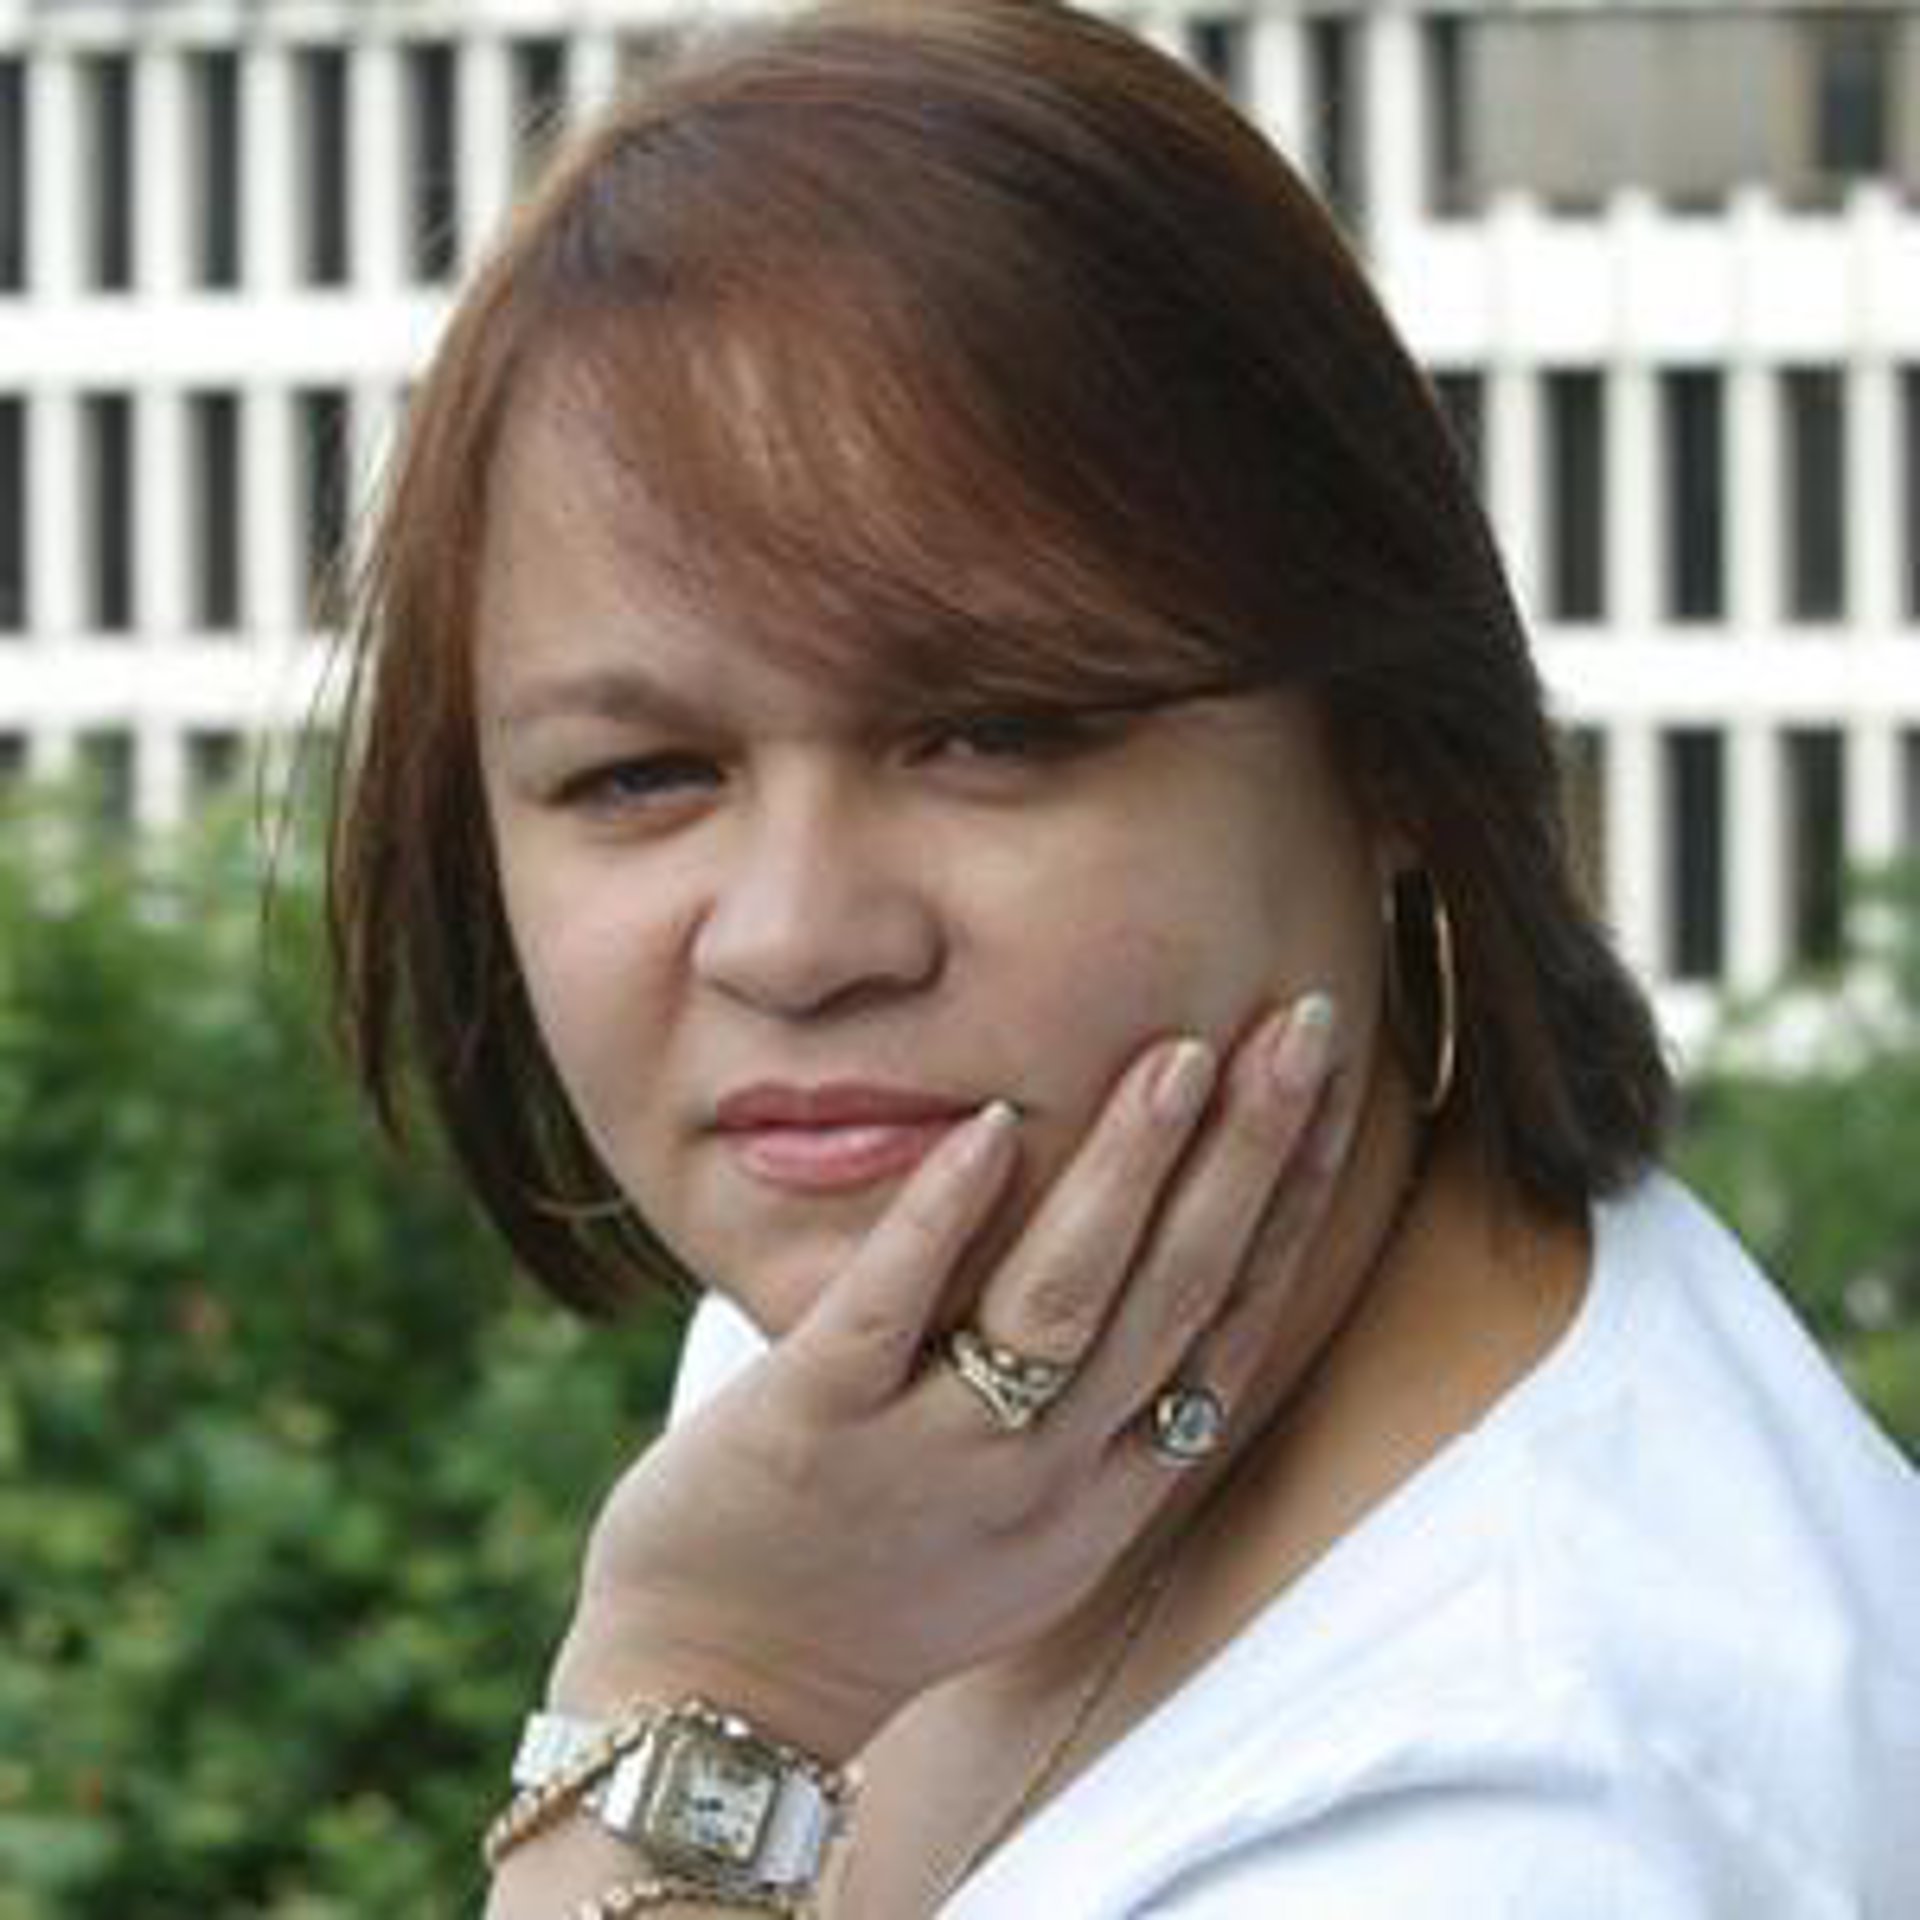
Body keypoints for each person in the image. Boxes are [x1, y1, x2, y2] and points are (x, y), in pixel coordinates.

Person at [325, 1, 1920, 1913]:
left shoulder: (1517, 1831)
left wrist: (696, 1686)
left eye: (996, 734)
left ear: (1390, 747)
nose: (797, 941)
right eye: (643, 776)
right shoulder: (948, 1328)